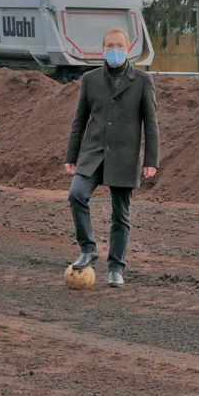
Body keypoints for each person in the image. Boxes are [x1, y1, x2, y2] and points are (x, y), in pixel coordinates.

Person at [64, 28, 159, 288]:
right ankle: (88, 248)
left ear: (128, 48)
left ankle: (116, 268)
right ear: (102, 49)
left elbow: (151, 124)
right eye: (109, 46)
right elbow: (79, 120)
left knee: (121, 214)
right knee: (77, 194)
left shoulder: (142, 80)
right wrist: (71, 155)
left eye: (119, 45)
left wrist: (151, 160)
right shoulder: (90, 79)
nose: (113, 50)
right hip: (93, 153)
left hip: (125, 155)